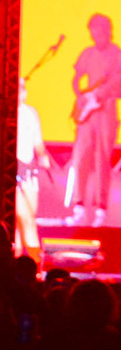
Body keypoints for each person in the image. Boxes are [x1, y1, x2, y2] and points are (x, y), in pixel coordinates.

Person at [65, 13, 121, 228]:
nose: (95, 38)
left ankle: (100, 210)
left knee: (102, 160)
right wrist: (80, 95)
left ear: (108, 31)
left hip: (107, 113)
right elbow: (76, 79)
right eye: (92, 34)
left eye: (99, 34)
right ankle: (78, 208)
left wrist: (110, 93)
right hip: (87, 114)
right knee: (80, 157)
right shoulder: (87, 53)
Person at [16, 78, 51, 265]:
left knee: (26, 219)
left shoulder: (31, 113)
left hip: (28, 169)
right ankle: (36, 263)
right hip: (13, 169)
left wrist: (42, 155)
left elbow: (38, 141)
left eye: (23, 89)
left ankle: (17, 259)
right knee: (26, 218)